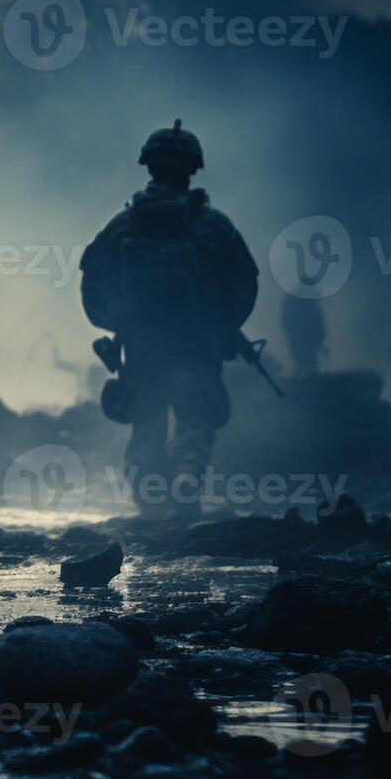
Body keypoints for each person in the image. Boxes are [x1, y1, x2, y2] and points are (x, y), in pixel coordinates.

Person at [80, 121, 258, 522]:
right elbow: (244, 281)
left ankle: (151, 505)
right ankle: (185, 481)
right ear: (191, 169)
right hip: (197, 342)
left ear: (149, 167)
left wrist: (116, 324)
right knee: (195, 417)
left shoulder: (122, 226)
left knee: (146, 422)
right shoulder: (213, 225)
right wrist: (224, 324)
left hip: (142, 344)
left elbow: (93, 283)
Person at [281, 294, 327, 375]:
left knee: (308, 364)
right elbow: (287, 322)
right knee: (306, 363)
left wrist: (318, 342)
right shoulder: (294, 303)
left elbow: (318, 325)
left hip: (305, 340)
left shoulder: (311, 307)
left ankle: (306, 376)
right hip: (299, 339)